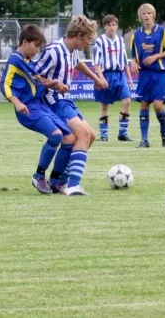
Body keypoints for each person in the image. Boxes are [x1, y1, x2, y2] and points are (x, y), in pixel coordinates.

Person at [35, 15, 108, 196]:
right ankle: (73, 185)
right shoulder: (53, 50)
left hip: (65, 99)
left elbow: (77, 63)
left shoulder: (72, 50)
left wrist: (95, 78)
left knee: (90, 136)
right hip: (53, 101)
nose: (88, 43)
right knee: (82, 135)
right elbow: (34, 75)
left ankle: (58, 181)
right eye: (87, 39)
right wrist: (54, 84)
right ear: (78, 35)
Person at [0, 25, 75, 195]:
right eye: (36, 46)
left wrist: (53, 84)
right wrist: (16, 103)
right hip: (28, 108)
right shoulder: (15, 59)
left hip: (40, 105)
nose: (37, 50)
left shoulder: (28, 61)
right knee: (56, 135)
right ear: (25, 42)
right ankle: (38, 176)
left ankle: (55, 181)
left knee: (69, 138)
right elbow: (4, 84)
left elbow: (36, 81)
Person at [130, 3, 165, 148]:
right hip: (145, 73)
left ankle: (164, 132)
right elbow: (134, 55)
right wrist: (133, 63)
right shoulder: (136, 34)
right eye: (144, 14)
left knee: (157, 105)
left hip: (159, 72)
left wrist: (156, 56)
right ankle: (144, 140)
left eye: (149, 13)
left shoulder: (162, 31)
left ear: (153, 15)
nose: (147, 16)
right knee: (144, 104)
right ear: (140, 17)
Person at [93, 14, 134, 142]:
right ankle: (104, 135)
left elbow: (124, 60)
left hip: (120, 74)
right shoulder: (100, 41)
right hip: (106, 74)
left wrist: (129, 77)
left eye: (113, 25)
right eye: (109, 25)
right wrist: (101, 78)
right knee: (105, 106)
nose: (111, 27)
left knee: (127, 100)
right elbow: (96, 63)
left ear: (116, 26)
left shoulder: (120, 40)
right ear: (105, 26)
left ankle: (122, 133)